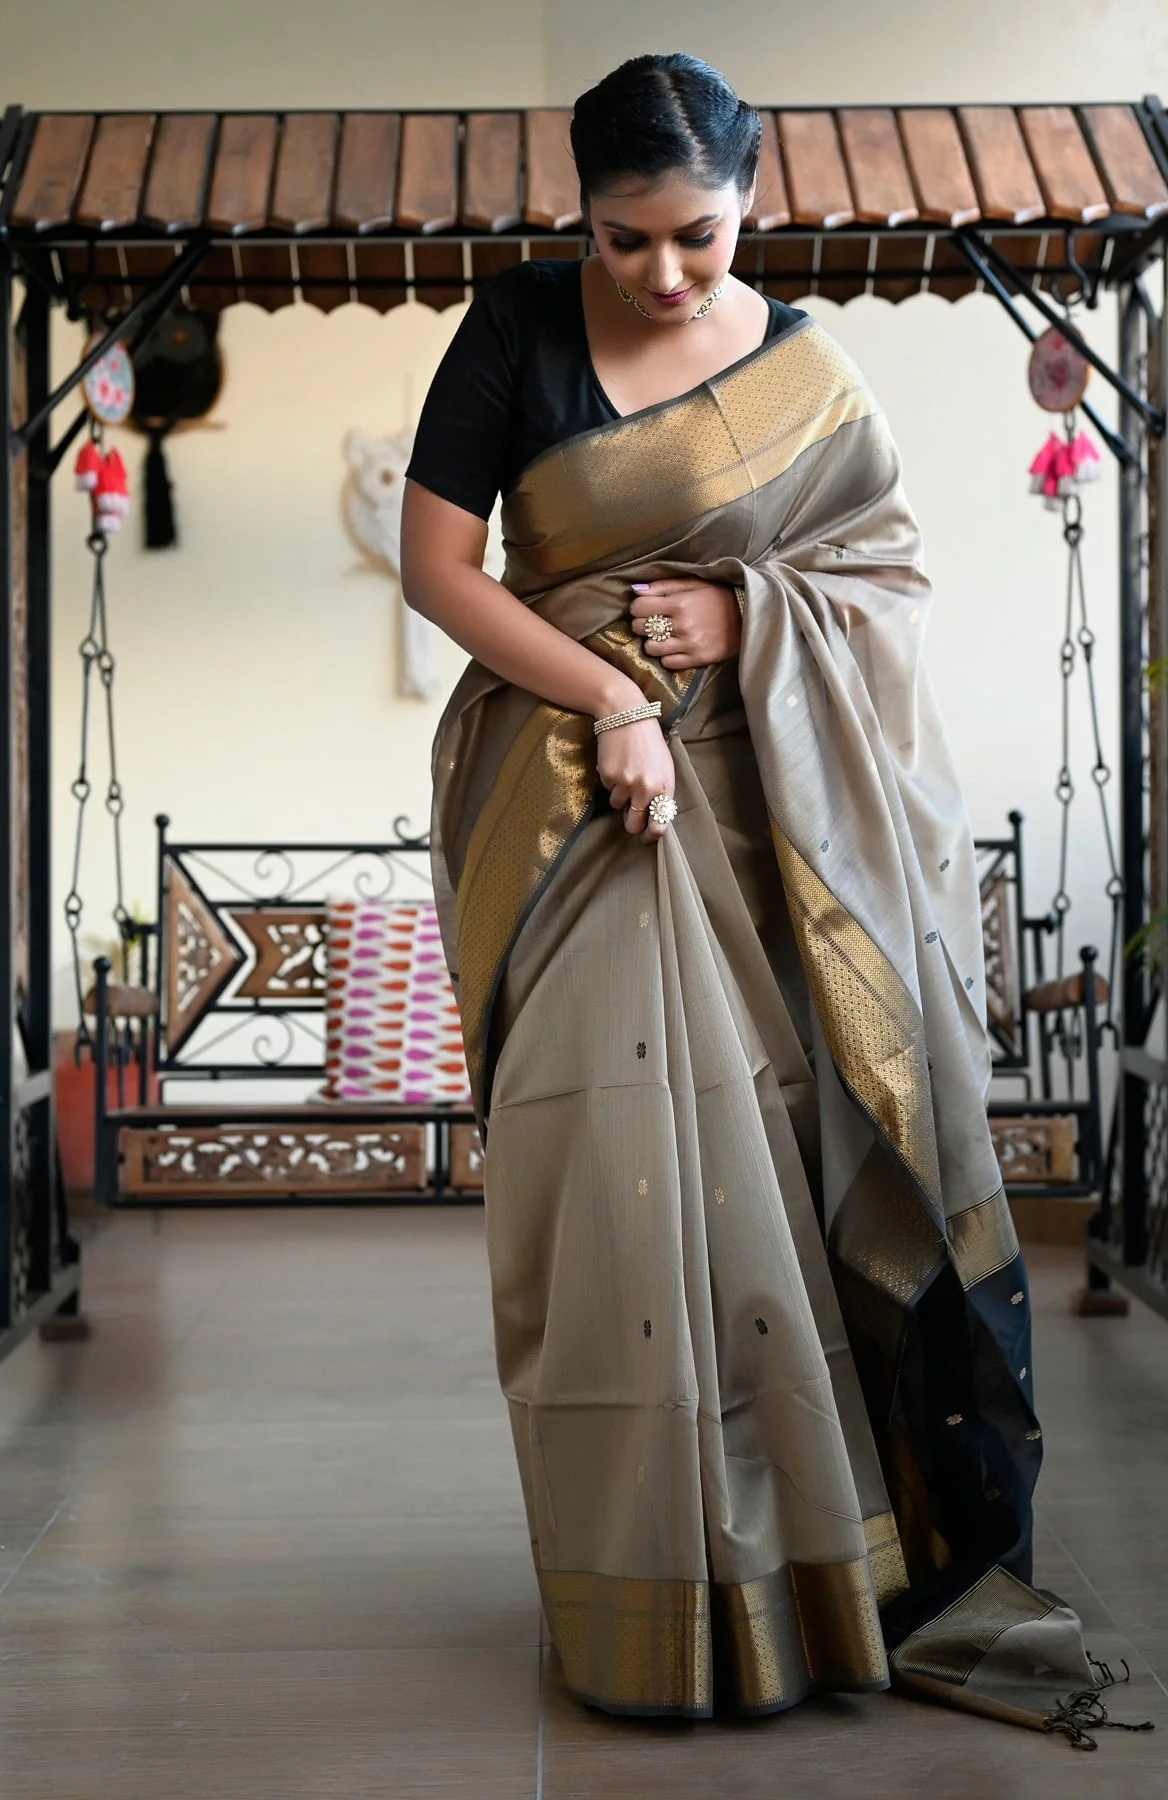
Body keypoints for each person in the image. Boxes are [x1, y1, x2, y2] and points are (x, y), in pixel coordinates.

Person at [401, 53, 1093, 1728]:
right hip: (580, 807)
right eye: (623, 238)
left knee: (802, 1168)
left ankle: (842, 1585)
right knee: (620, 1184)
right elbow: (439, 568)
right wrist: (616, 698)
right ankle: (665, 1600)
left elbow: (887, 578)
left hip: (792, 816)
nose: (661, 272)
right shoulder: (514, 331)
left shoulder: (804, 373)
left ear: (751, 204)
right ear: (580, 217)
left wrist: (749, 611)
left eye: (697, 237)